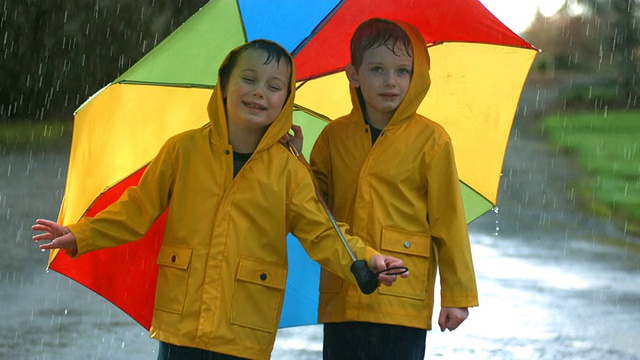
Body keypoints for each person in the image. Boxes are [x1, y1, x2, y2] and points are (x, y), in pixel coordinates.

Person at [32, 39, 407, 360]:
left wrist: (367, 260)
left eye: (275, 86)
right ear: (224, 86)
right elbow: (135, 209)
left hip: (245, 330)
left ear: (286, 100)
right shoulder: (184, 150)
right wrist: (81, 233)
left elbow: (324, 234)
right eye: (248, 79)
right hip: (181, 326)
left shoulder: (289, 172)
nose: (260, 91)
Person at [308, 19, 479, 359]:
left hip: (403, 295)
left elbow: (449, 221)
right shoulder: (333, 137)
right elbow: (313, 205)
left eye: (403, 71)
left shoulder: (432, 140)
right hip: (347, 289)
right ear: (354, 75)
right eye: (377, 69)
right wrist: (294, 160)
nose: (391, 81)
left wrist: (457, 295)